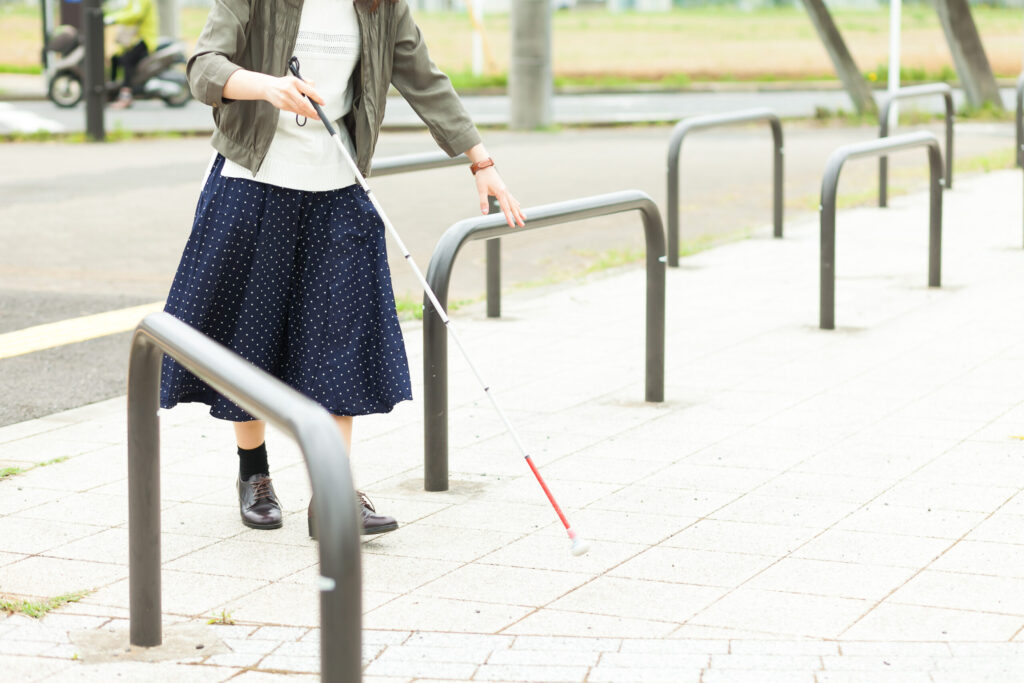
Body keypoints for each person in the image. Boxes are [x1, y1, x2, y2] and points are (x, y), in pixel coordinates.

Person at [160, 0, 526, 537]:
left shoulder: (381, 7)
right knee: (249, 340)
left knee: (340, 343)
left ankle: (333, 495)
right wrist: (263, 86)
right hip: (253, 184)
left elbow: (424, 78)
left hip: (338, 191)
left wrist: (481, 160)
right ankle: (253, 472)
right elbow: (204, 66)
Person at [105, 0, 158, 108]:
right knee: (115, 58)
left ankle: (126, 96)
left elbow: (135, 14)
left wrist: (113, 19)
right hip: (134, 41)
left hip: (145, 40)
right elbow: (126, 12)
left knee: (127, 61)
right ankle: (113, 92)